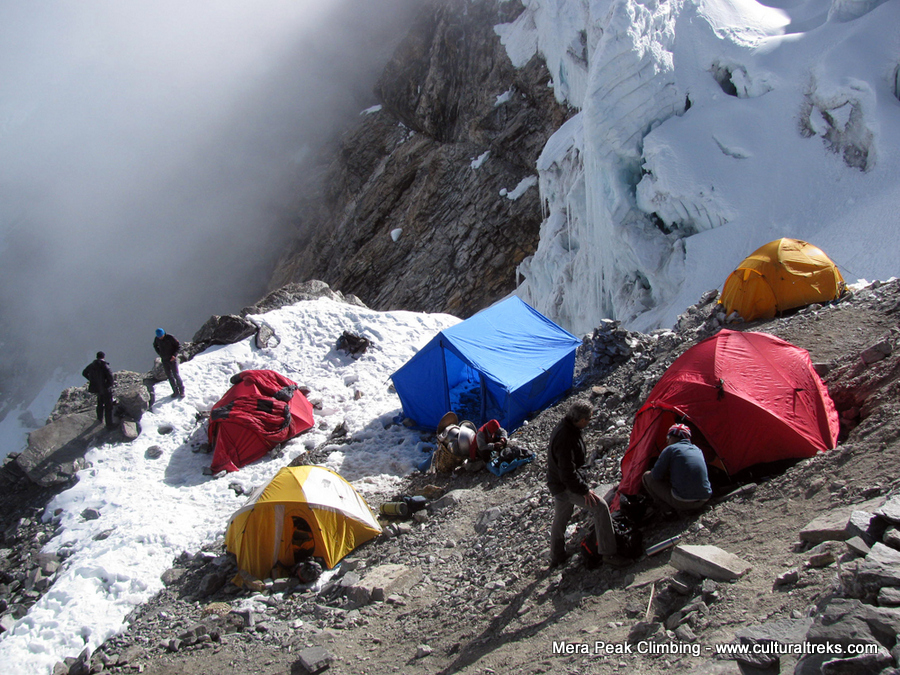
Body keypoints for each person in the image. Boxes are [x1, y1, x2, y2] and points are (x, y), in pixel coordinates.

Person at [546, 401, 624, 568]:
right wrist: (584, 490)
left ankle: (557, 556)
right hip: (565, 485)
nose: (589, 422)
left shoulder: (567, 428)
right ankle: (608, 553)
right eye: (588, 419)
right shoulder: (566, 437)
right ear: (580, 419)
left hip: (558, 483)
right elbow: (567, 472)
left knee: (561, 519)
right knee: (601, 507)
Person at [642, 423, 712, 516]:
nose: (667, 441)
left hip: (683, 501)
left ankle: (668, 512)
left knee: (647, 476)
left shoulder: (670, 449)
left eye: (668, 438)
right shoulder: (697, 449)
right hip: (704, 498)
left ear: (671, 437)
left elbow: (656, 475)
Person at [82, 351, 115, 428]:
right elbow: (111, 378)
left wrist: (92, 380)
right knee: (108, 406)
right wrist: (107, 385)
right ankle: (109, 424)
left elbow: (84, 373)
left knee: (100, 404)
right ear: (103, 357)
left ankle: (99, 419)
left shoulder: (92, 365)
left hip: (97, 388)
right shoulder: (105, 366)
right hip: (105, 389)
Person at [153, 328, 185, 398]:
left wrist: (174, 355)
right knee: (170, 376)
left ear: (164, 334)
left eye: (161, 336)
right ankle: (175, 391)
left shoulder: (170, 338)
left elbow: (178, 346)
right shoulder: (157, 339)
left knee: (176, 375)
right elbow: (155, 345)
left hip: (172, 359)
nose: (160, 338)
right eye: (159, 337)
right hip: (164, 360)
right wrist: (160, 353)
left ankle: (182, 391)